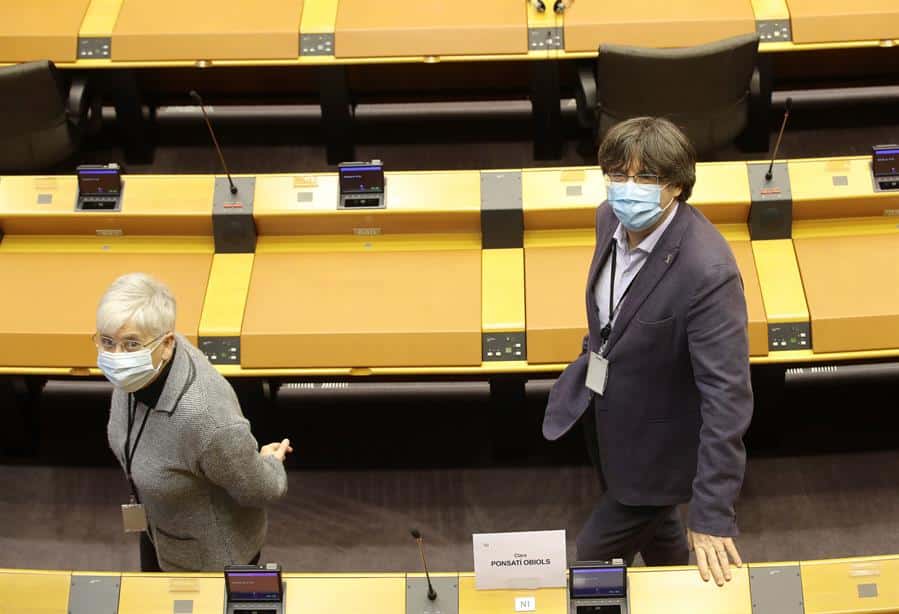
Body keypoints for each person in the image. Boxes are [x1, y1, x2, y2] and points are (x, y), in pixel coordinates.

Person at [543, 117, 753, 586]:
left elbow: (728, 396)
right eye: (617, 175)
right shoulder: (608, 217)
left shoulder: (708, 272)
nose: (626, 189)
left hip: (662, 449)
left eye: (644, 178)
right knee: (661, 542)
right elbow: (612, 314)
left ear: (676, 185)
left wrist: (712, 511)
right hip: (609, 419)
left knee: (593, 554)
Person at [95, 272, 292, 571]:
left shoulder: (205, 419)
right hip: (160, 533)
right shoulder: (141, 372)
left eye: (131, 344)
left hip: (209, 559)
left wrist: (269, 464)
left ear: (167, 344)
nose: (116, 356)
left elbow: (260, 489)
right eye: (107, 342)